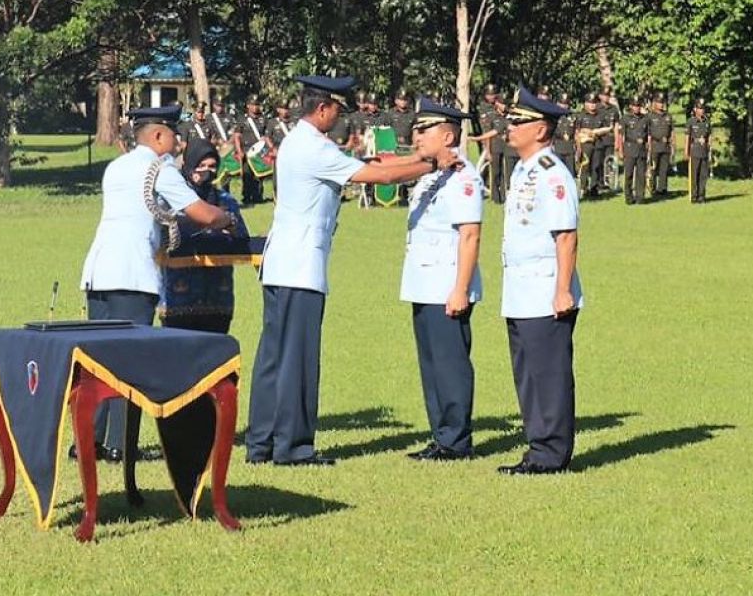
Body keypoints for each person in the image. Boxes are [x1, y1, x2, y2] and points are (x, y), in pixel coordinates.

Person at [247, 75, 442, 467]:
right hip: (301, 265)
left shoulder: (298, 141)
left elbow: (371, 163)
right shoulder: (314, 148)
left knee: (273, 356)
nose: (341, 118)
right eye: (337, 110)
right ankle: (294, 447)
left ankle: (262, 442)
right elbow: (381, 176)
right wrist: (432, 164)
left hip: (282, 262)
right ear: (322, 109)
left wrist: (417, 160)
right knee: (298, 359)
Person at [79, 105, 232, 461]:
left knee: (95, 360)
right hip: (132, 274)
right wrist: (225, 219)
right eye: (175, 135)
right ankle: (121, 444)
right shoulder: (159, 169)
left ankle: (90, 440)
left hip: (99, 270)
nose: (179, 143)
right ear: (159, 136)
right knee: (127, 362)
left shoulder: (116, 166)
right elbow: (201, 213)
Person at [497, 87, 583, 475]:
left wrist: (563, 289)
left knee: (548, 373)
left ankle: (552, 454)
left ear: (542, 130)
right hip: (520, 288)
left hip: (547, 288)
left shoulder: (553, 174)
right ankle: (537, 448)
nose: (510, 127)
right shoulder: (523, 169)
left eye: (519, 122)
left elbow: (565, 235)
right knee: (528, 373)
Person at [400, 97, 484, 462]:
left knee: (450, 366)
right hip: (423, 284)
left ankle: (456, 441)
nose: (416, 136)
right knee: (432, 366)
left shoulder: (463, 176)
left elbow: (470, 235)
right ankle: (441, 435)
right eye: (416, 130)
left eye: (424, 130)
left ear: (448, 135)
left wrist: (461, 289)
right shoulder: (432, 173)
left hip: (447, 285)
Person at [159, 138, 249, 333]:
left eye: (212, 166)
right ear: (189, 165)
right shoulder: (173, 199)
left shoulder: (226, 200)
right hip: (179, 298)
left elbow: (243, 238)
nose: (207, 171)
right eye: (201, 166)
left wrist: (230, 224)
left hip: (218, 298)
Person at [470, 93, 510, 204]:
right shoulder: (489, 113)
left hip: (505, 145)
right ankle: (495, 196)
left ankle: (502, 195)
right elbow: (487, 132)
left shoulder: (504, 115)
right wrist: (487, 150)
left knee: (503, 172)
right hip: (494, 145)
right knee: (495, 172)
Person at [233, 95, 270, 206]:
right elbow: (237, 136)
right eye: (253, 105)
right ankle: (247, 197)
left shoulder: (263, 119)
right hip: (247, 150)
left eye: (257, 104)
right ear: (248, 106)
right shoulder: (242, 119)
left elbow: (267, 135)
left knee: (259, 174)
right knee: (247, 175)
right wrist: (239, 151)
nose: (255, 107)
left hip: (260, 151)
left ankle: (258, 196)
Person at [618, 96, 650, 204]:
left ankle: (640, 197)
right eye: (635, 105)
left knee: (641, 175)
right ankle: (629, 197)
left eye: (638, 105)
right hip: (630, 149)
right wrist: (620, 151)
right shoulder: (625, 118)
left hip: (641, 151)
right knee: (628, 175)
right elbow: (621, 136)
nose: (637, 108)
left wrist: (649, 149)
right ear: (631, 106)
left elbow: (648, 136)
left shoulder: (645, 119)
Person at [574, 93, 606, 197]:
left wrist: (596, 132)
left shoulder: (601, 115)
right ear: (585, 103)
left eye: (594, 103)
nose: (592, 105)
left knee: (596, 167)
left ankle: (594, 188)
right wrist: (578, 147)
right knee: (585, 167)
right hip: (585, 145)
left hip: (598, 144)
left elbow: (607, 129)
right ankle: (584, 188)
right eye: (590, 103)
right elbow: (577, 133)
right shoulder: (580, 116)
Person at [647, 92, 673, 198]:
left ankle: (662, 189)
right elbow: (648, 133)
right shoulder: (650, 116)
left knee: (664, 169)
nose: (661, 105)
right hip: (655, 145)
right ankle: (652, 189)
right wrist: (648, 147)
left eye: (662, 102)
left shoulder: (668, 116)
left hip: (666, 147)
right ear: (654, 103)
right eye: (659, 102)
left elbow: (672, 132)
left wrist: (673, 146)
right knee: (653, 169)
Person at [686, 99, 712, 203]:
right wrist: (686, 152)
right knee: (694, 175)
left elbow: (709, 136)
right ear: (695, 109)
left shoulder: (707, 122)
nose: (701, 111)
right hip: (694, 150)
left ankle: (702, 196)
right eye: (699, 108)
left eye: (703, 108)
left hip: (704, 151)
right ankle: (694, 196)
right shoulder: (691, 121)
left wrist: (710, 150)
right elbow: (687, 138)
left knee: (703, 175)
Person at [551, 92, 578, 177]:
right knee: (557, 173)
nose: (564, 106)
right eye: (562, 103)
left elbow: (576, 131)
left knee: (570, 173)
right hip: (557, 147)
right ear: (557, 103)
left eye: (566, 104)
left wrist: (578, 147)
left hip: (570, 148)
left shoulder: (573, 115)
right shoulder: (553, 116)